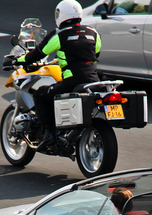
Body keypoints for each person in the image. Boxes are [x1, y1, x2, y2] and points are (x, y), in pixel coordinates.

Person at [16, 0, 102, 149]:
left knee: (41, 94)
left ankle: (49, 135)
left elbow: (38, 53)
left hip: (72, 82)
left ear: (60, 14)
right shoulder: (93, 33)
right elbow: (96, 53)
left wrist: (19, 60)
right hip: (94, 81)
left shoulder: (59, 35)